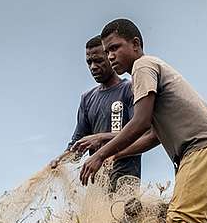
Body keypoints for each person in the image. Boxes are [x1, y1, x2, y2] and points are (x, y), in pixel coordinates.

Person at [80, 18, 207, 223]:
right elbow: (153, 135)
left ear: (136, 44)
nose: (110, 56)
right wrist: (114, 155)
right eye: (107, 51)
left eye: (115, 48)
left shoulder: (143, 66)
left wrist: (99, 155)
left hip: (201, 149)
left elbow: (139, 123)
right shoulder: (153, 68)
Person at [52, 35, 141, 191]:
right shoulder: (87, 99)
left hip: (125, 183)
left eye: (98, 61)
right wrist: (61, 159)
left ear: (110, 56)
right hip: (96, 184)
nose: (93, 67)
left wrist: (100, 139)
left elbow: (138, 132)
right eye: (89, 62)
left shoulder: (129, 89)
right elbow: (78, 142)